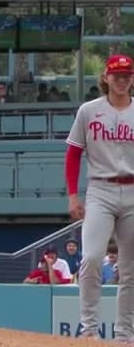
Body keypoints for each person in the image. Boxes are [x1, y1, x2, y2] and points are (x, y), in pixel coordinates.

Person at [65, 54, 134, 339]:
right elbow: (73, 153)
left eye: (127, 74)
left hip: (133, 189)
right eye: (116, 75)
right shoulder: (89, 110)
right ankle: (89, 330)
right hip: (100, 189)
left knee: (130, 268)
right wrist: (72, 195)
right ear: (105, 77)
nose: (122, 80)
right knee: (92, 258)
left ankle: (125, 334)